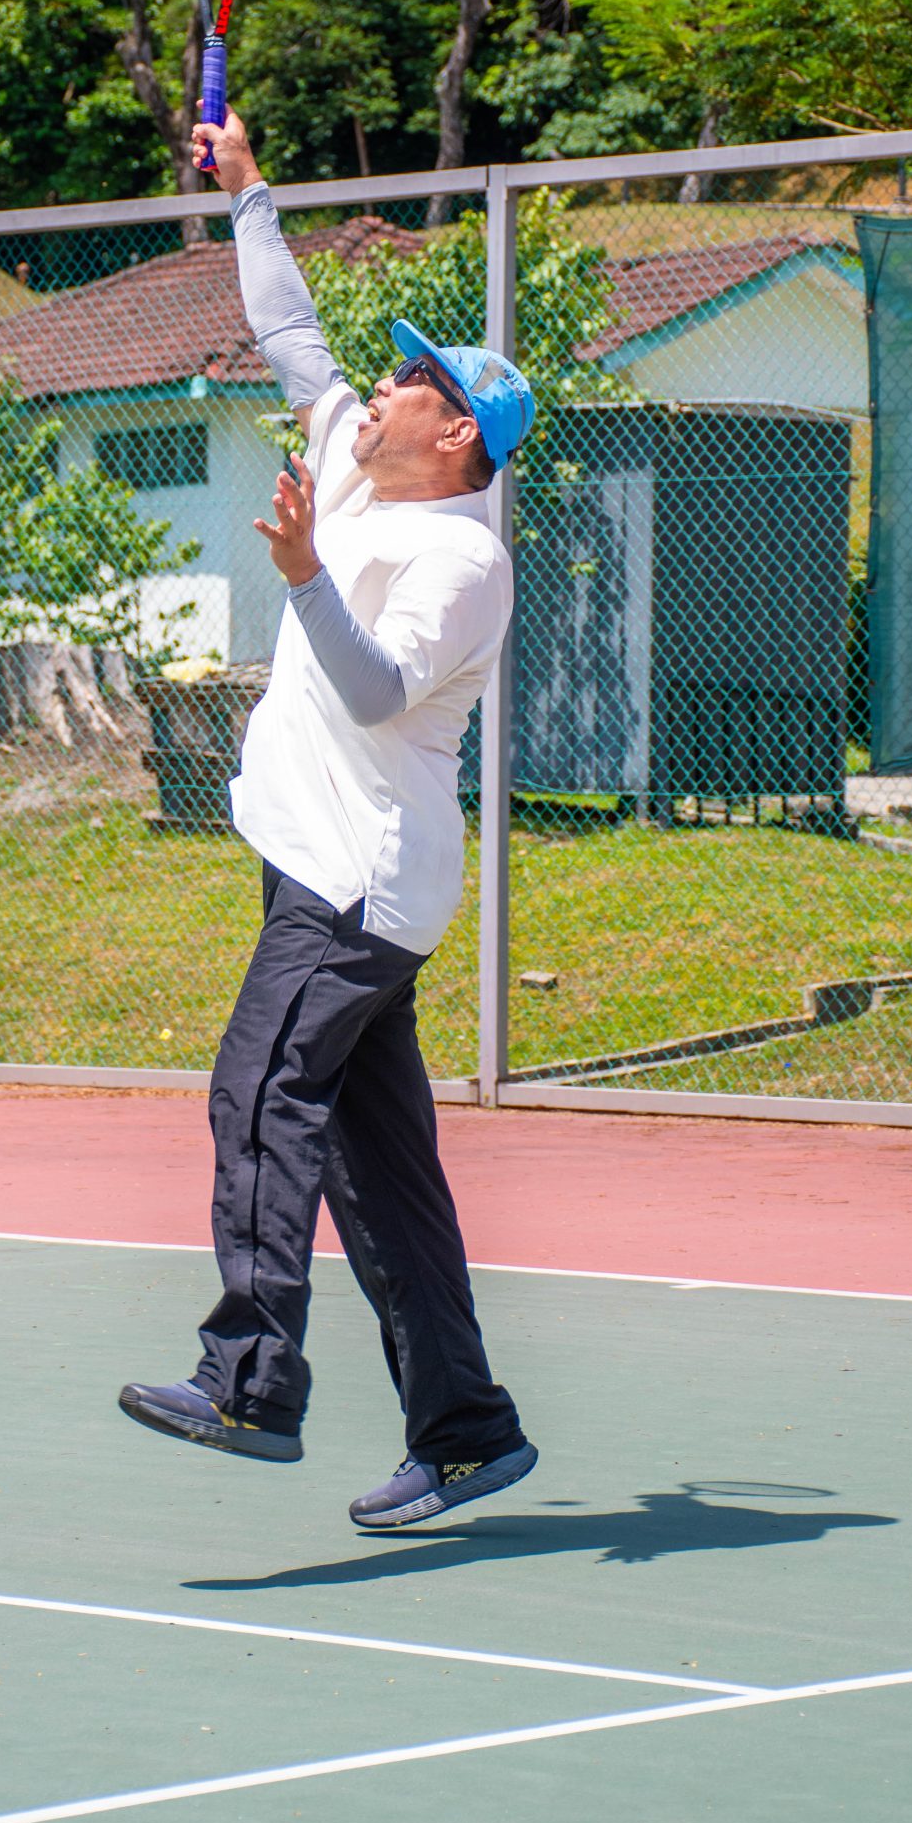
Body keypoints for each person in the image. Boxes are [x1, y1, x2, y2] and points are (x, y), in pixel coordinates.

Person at [119, 107, 539, 1530]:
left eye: (417, 380)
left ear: (459, 434)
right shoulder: (361, 464)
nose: (387, 384)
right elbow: (292, 332)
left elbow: (371, 694)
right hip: (334, 877)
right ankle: (467, 1430)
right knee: (381, 1179)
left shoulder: (464, 562)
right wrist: (248, 190)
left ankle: (248, 1381)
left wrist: (303, 573)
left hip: (356, 889)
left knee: (257, 1096)